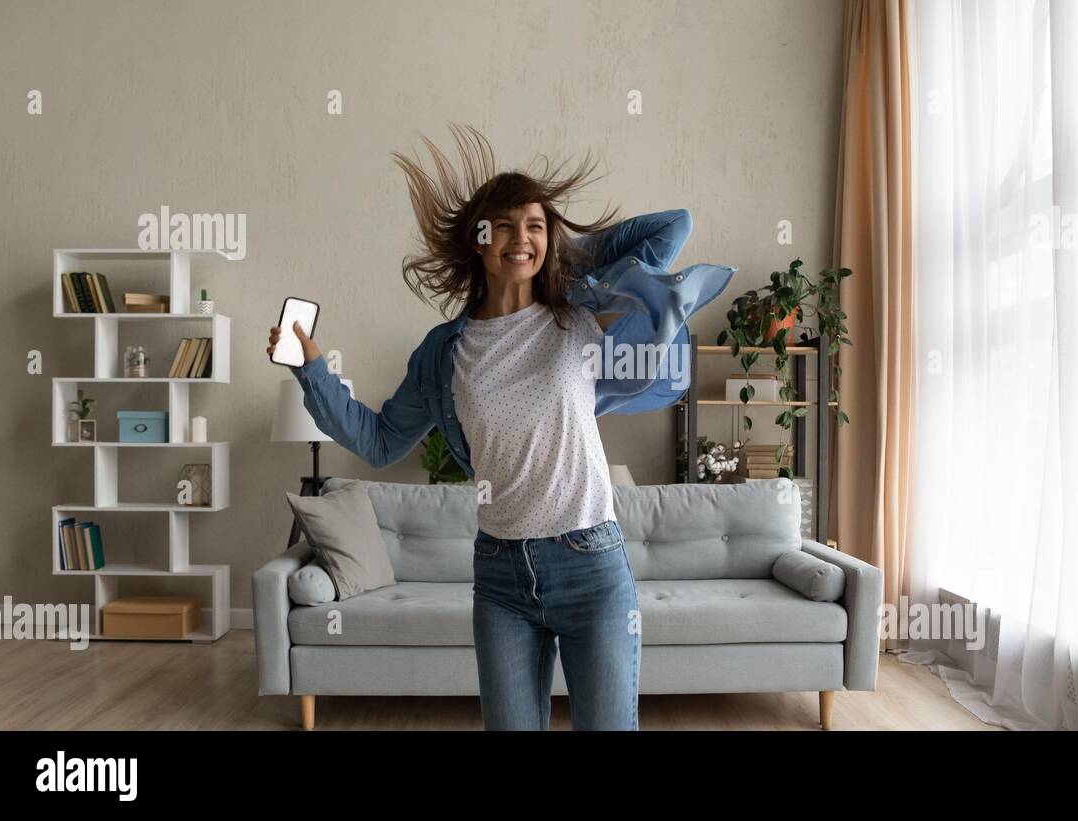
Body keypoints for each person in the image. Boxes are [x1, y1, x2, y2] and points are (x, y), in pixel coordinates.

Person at [266, 123, 735, 730]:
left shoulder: (580, 320)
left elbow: (675, 225)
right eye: (506, 227)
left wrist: (563, 250)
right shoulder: (444, 353)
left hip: (591, 563)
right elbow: (379, 441)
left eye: (535, 226)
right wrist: (312, 370)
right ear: (477, 240)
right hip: (501, 578)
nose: (521, 239)